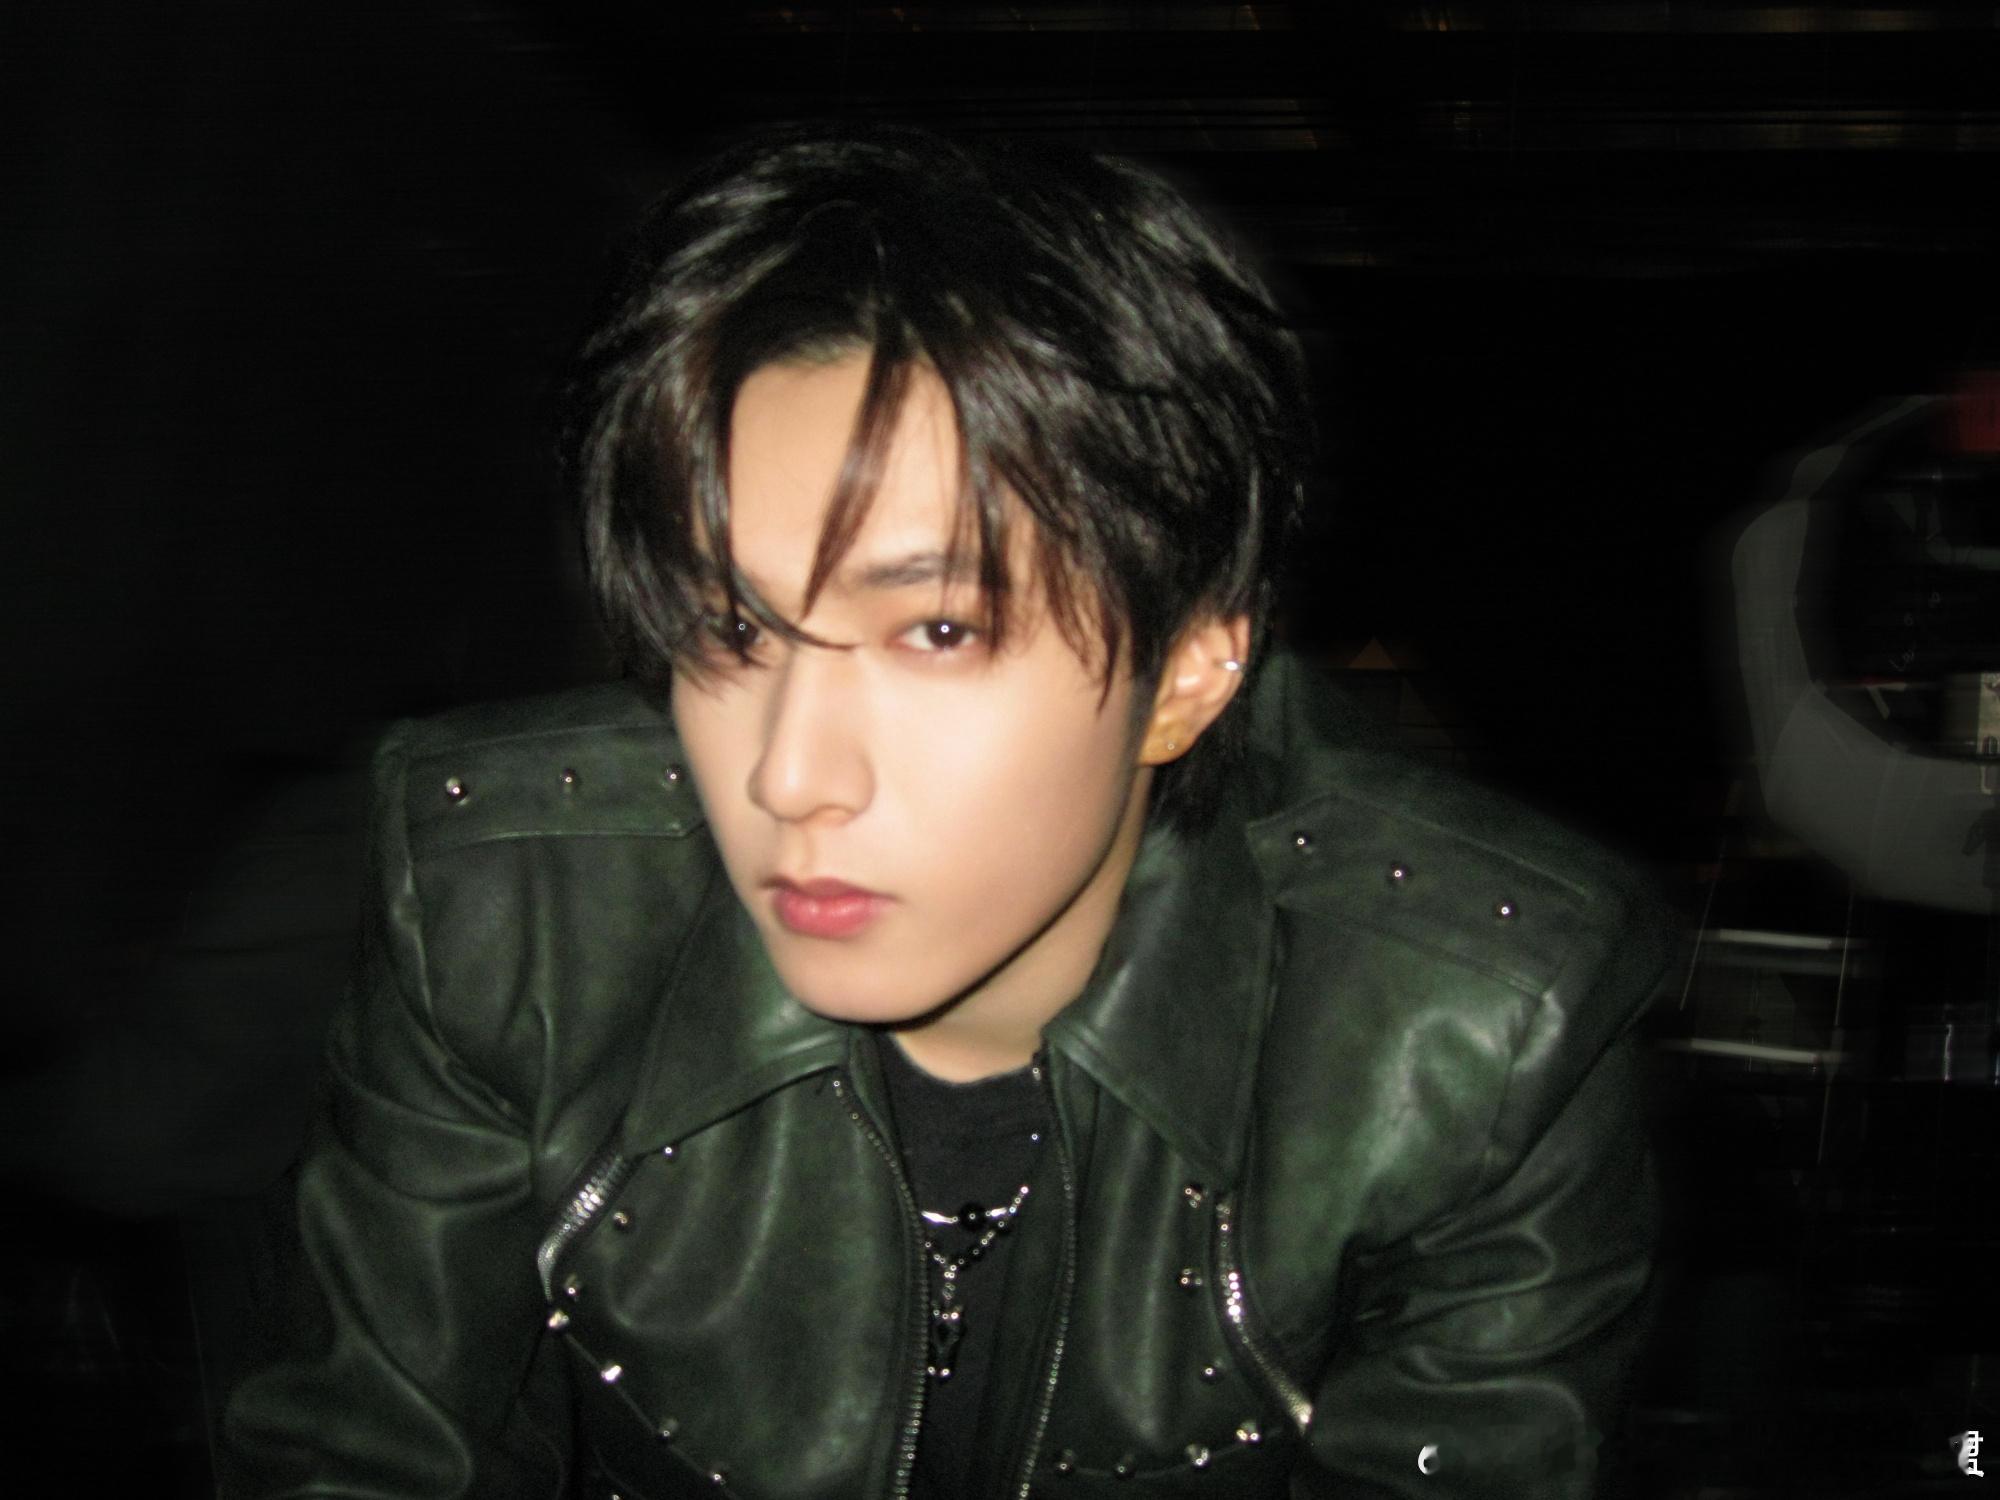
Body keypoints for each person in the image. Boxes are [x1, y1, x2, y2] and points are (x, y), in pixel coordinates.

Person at [225, 123, 1672, 1498]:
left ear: (1186, 672)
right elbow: (368, 1452)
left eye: (936, 632)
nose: (791, 775)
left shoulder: (1473, 1031)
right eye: (732, 629)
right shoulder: (507, 912)